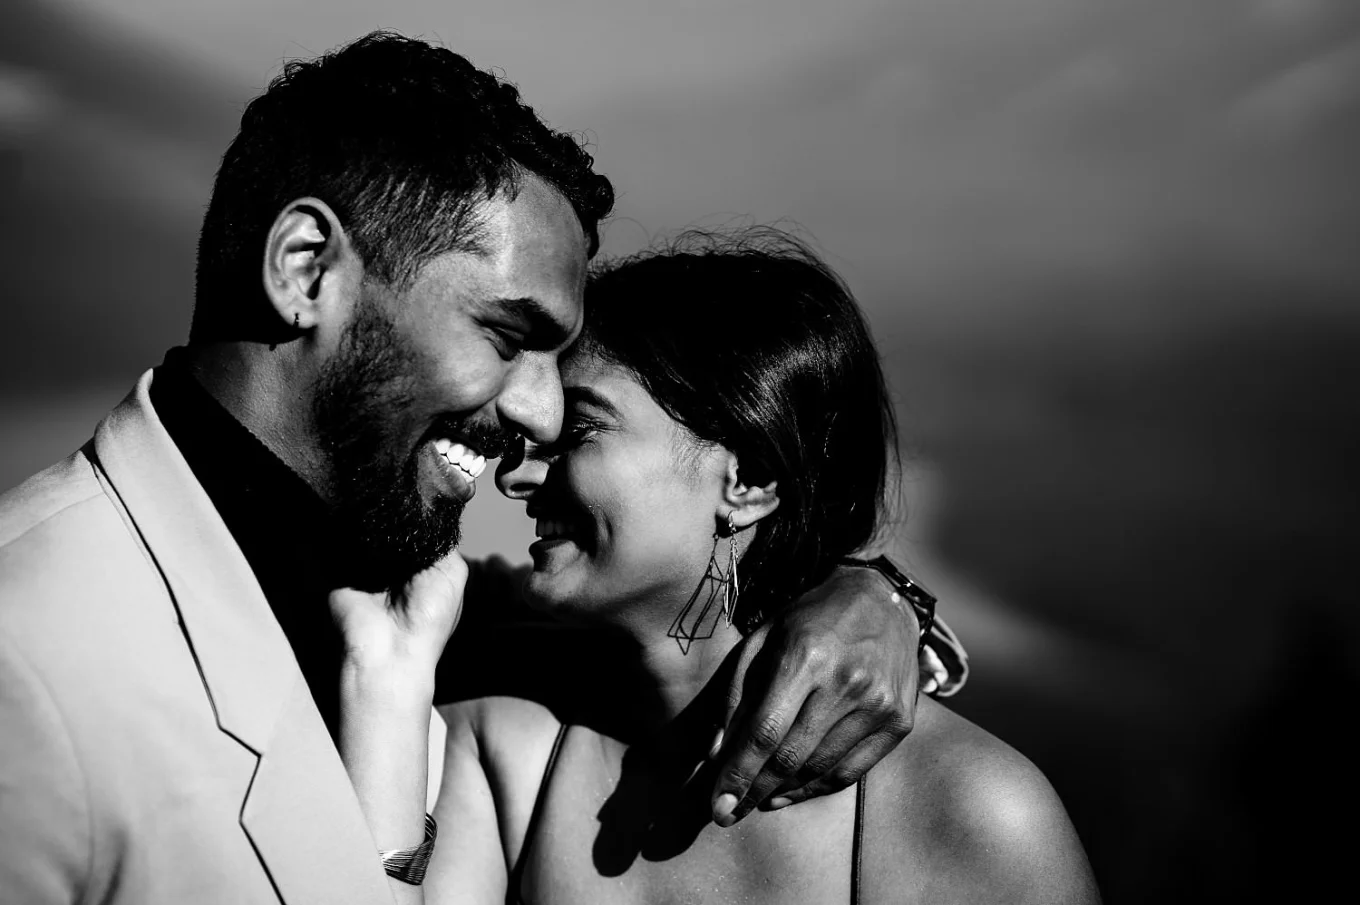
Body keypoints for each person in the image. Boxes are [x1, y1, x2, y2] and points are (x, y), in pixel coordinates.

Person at [0, 34, 964, 905]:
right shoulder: (26, 656)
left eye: (571, 389)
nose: (537, 421)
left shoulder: (467, 624)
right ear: (304, 270)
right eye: (507, 334)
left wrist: (876, 597)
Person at [334, 229, 1095, 904]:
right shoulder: (503, 754)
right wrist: (388, 669)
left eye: (581, 431)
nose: (518, 477)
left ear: (749, 480)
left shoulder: (966, 807)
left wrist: (891, 597)